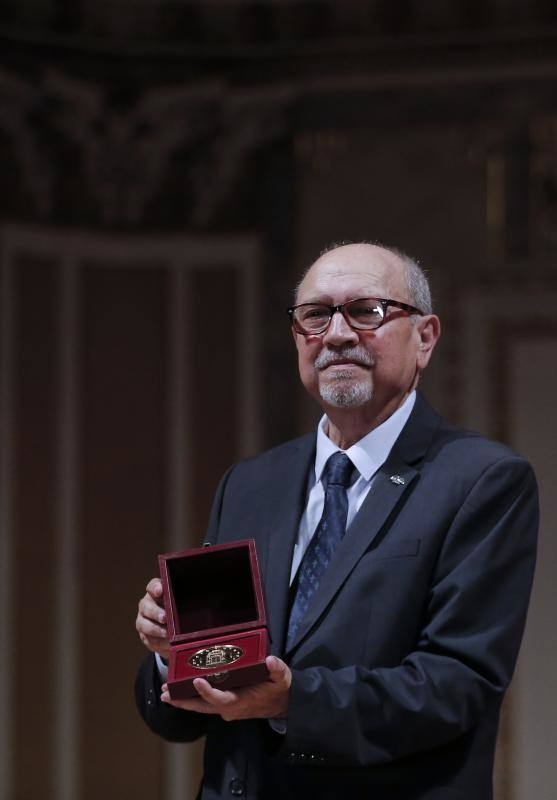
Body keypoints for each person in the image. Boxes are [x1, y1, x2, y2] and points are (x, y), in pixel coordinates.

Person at [135, 242, 538, 800]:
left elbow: (458, 685)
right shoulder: (250, 484)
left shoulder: (482, 480)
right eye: (316, 315)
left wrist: (293, 699)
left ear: (425, 338)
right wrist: (170, 653)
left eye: (367, 311)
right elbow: (179, 717)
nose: (338, 334)